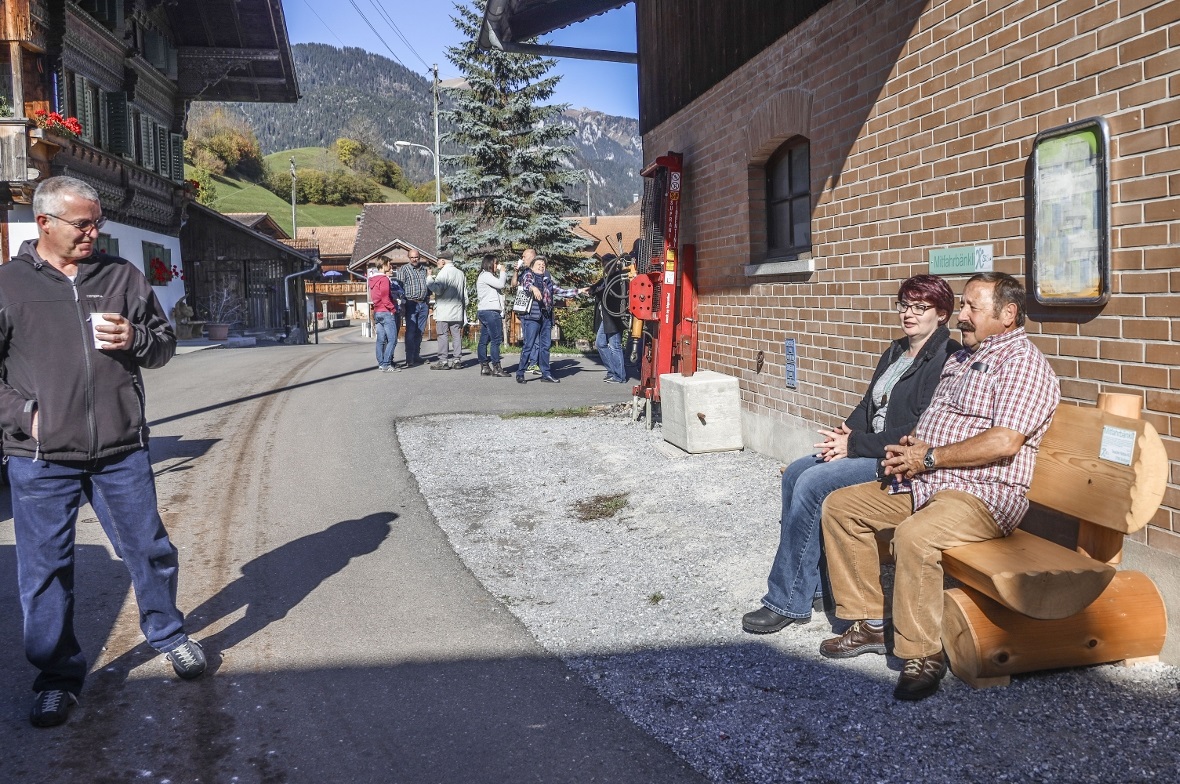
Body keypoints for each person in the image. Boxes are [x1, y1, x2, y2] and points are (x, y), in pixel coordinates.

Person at [0, 176, 207, 729]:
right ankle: (57, 677)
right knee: (44, 570)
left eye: (98, 222)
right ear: (44, 222)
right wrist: (25, 417)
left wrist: (136, 340)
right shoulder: (8, 285)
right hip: (41, 457)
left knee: (149, 548)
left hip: (121, 448)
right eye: (83, 223)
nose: (95, 232)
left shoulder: (122, 275)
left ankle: (167, 633)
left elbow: (163, 344)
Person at [818, 272, 1059, 701]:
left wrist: (929, 457)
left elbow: (1004, 441)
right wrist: (914, 447)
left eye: (970, 308)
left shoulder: (1021, 362)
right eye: (962, 306)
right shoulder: (964, 357)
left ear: (1007, 314)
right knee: (842, 507)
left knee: (916, 536)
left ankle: (923, 653)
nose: (961, 317)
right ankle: (870, 623)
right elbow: (941, 421)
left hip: (983, 494)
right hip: (930, 481)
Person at [741, 275, 959, 635]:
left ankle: (785, 600)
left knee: (812, 484)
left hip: (893, 460)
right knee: (796, 471)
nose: (909, 314)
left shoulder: (943, 358)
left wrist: (853, 445)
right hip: (865, 447)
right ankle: (810, 588)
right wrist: (842, 434)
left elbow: (915, 428)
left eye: (921, 307)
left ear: (942, 314)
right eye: (904, 305)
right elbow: (866, 404)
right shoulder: (896, 351)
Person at [514, 255, 584, 384]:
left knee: (545, 346)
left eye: (543, 265)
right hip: (532, 317)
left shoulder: (547, 280)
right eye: (539, 264)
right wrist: (534, 288)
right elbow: (526, 284)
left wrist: (579, 291)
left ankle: (546, 374)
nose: (541, 266)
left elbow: (562, 292)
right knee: (528, 345)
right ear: (532, 267)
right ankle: (520, 373)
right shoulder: (529, 275)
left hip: (546, 317)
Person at [586, 254, 630, 383]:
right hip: (606, 318)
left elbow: (602, 291)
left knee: (614, 345)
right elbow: (595, 288)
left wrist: (596, 290)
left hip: (615, 317)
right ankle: (612, 371)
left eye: (607, 264)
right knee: (600, 344)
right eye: (604, 264)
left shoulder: (619, 278)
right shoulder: (607, 278)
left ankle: (619, 376)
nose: (605, 267)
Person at [427, 256, 468, 370]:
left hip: (444, 310)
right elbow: (465, 294)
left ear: (443, 261)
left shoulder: (443, 273)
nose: (437, 263)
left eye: (438, 261)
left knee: (442, 335)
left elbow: (438, 289)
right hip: (457, 309)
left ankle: (443, 361)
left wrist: (430, 278)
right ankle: (457, 360)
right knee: (456, 335)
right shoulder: (460, 273)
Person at [476, 254, 509, 377]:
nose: (497, 265)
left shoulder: (484, 276)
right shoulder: (486, 275)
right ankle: (497, 367)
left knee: (484, 339)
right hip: (490, 311)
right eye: (496, 263)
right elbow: (501, 284)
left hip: (484, 311)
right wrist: (503, 272)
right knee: (496, 340)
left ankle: (484, 366)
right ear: (489, 263)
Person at [396, 249, 430, 367]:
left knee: (420, 332)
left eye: (416, 257)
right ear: (408, 258)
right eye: (412, 257)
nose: (414, 259)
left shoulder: (423, 270)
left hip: (423, 304)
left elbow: (428, 286)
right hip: (411, 303)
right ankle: (409, 358)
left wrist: (428, 300)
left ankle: (416, 355)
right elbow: (399, 288)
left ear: (419, 257)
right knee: (410, 332)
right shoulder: (404, 269)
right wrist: (403, 304)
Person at [368, 259, 399, 372]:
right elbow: (385, 298)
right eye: (389, 264)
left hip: (377, 311)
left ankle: (381, 363)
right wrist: (393, 309)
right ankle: (386, 364)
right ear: (384, 265)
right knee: (392, 339)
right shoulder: (384, 279)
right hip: (386, 311)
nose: (390, 267)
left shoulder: (372, 279)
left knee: (380, 339)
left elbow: (375, 297)